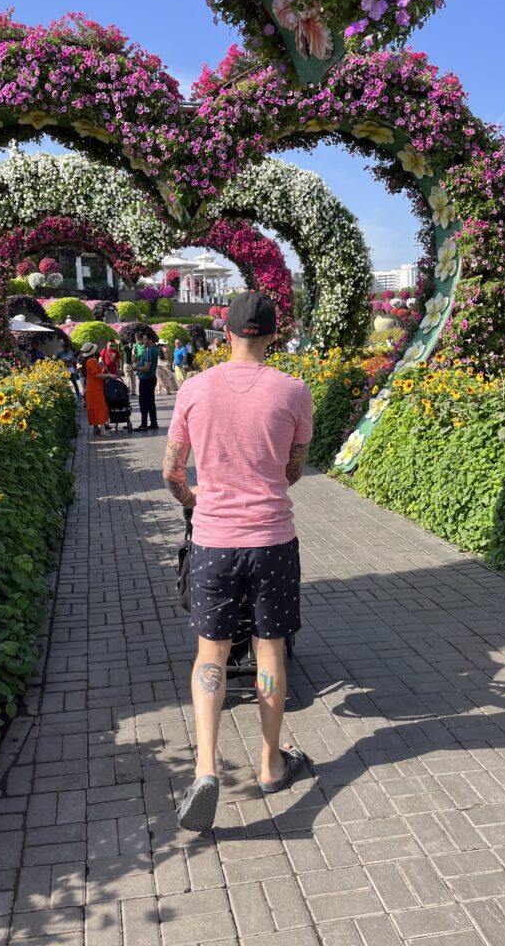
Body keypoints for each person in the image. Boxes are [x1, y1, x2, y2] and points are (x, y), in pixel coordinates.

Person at [162, 291, 313, 832]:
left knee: (212, 653)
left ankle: (206, 769)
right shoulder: (293, 391)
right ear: (274, 334)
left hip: (213, 542)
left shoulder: (194, 389)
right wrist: (268, 484)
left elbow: (173, 471)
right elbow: (294, 466)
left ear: (225, 332)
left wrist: (196, 500)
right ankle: (272, 762)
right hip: (272, 538)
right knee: (270, 651)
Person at [80, 341, 112, 436]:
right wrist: (109, 375)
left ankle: (96, 429)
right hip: (95, 388)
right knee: (101, 408)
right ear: (93, 352)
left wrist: (101, 366)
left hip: (90, 388)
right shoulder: (92, 361)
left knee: (93, 409)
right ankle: (103, 430)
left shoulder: (86, 361)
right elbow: (96, 375)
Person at [134, 332, 158, 431]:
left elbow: (146, 368)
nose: (143, 341)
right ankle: (153, 423)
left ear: (150, 340)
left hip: (146, 380)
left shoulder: (149, 351)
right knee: (151, 402)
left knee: (144, 403)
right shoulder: (155, 349)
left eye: (144, 339)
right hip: (151, 378)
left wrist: (136, 368)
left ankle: (144, 424)